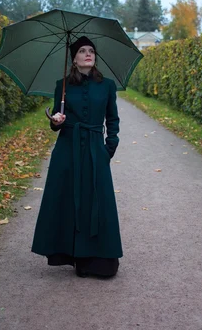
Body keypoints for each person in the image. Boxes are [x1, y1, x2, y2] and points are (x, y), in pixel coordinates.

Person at [31, 36, 122, 278]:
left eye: (91, 51)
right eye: (82, 51)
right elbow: (56, 123)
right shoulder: (62, 85)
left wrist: (109, 148)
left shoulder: (107, 85)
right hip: (67, 150)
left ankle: (99, 261)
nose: (88, 54)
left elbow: (112, 119)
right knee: (69, 199)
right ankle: (72, 257)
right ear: (74, 58)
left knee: (97, 200)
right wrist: (56, 121)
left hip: (95, 148)